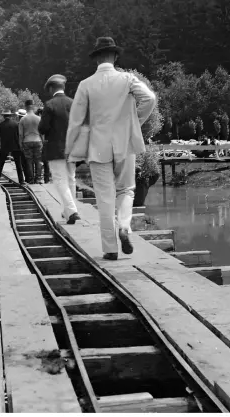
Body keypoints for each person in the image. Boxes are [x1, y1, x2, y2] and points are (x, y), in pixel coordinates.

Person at [66, 37, 157, 259]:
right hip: (125, 142)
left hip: (98, 146)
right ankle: (124, 226)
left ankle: (110, 249)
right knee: (126, 189)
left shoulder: (86, 84)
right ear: (115, 57)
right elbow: (150, 98)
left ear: (96, 58)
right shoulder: (127, 79)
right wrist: (134, 123)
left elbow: (76, 120)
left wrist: (69, 150)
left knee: (104, 198)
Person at [39, 75, 80, 224]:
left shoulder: (50, 105)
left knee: (60, 180)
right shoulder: (73, 103)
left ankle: (72, 209)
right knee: (71, 178)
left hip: (56, 148)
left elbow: (42, 128)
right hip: (73, 147)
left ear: (51, 88)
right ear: (63, 87)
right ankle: (69, 211)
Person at [0, 110, 25, 184]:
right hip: (15, 145)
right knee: (18, 164)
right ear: (10, 116)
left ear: (3, 116)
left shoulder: (0, 125)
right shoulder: (15, 124)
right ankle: (21, 180)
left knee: (0, 163)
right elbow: (18, 135)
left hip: (4, 146)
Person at [19, 100, 43, 184]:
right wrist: (42, 142)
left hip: (27, 141)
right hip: (37, 140)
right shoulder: (39, 118)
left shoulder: (22, 119)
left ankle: (31, 179)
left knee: (29, 161)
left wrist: (20, 144)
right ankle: (38, 178)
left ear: (26, 107)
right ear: (33, 107)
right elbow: (41, 132)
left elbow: (21, 134)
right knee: (38, 160)